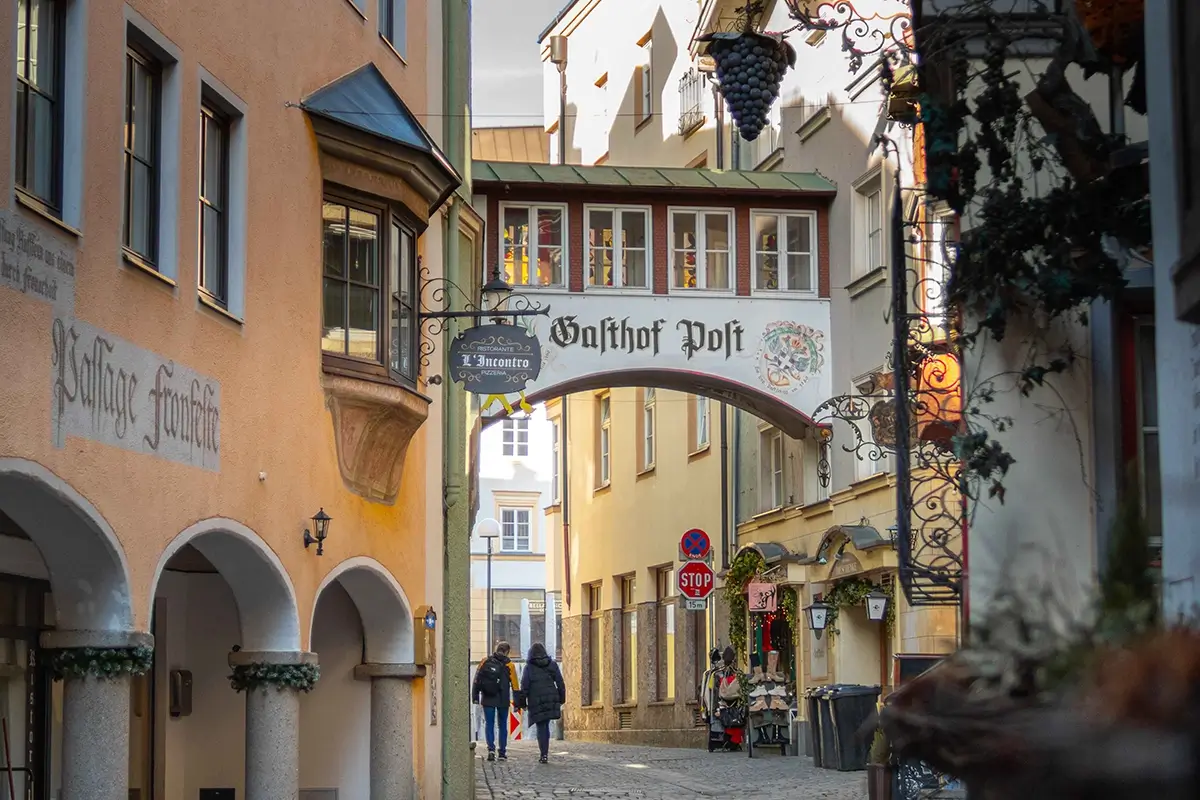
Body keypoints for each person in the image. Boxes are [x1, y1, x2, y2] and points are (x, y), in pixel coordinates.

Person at [517, 642, 565, 764]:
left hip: (535, 699)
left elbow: (524, 686)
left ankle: (543, 754)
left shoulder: (529, 668)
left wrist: (523, 703)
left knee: (541, 726)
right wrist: (561, 698)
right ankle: (545, 754)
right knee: (545, 726)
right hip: (550, 698)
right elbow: (560, 682)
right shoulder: (552, 664)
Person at [472, 641, 520, 762]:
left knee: (489, 724)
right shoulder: (510, 665)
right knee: (502, 725)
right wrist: (517, 703)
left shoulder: (485, 661)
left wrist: (475, 696)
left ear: (497, 649)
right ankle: (502, 752)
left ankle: (491, 750)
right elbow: (515, 685)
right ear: (507, 652)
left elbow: (477, 679)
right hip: (503, 699)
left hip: (488, 698)